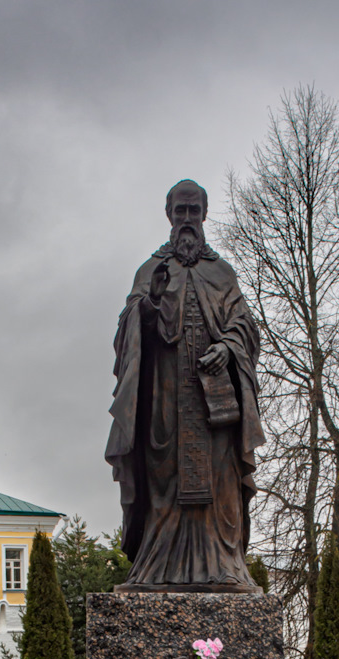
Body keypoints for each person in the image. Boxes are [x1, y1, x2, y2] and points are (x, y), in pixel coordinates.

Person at [105, 179, 265, 591]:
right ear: (169, 215)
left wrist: (229, 347)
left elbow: (245, 326)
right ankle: (157, 568)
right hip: (165, 401)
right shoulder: (151, 269)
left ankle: (223, 566)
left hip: (214, 405)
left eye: (195, 211)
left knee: (220, 483)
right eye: (181, 211)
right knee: (165, 483)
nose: (188, 220)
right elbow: (126, 335)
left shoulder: (221, 272)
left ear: (205, 214)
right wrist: (150, 304)